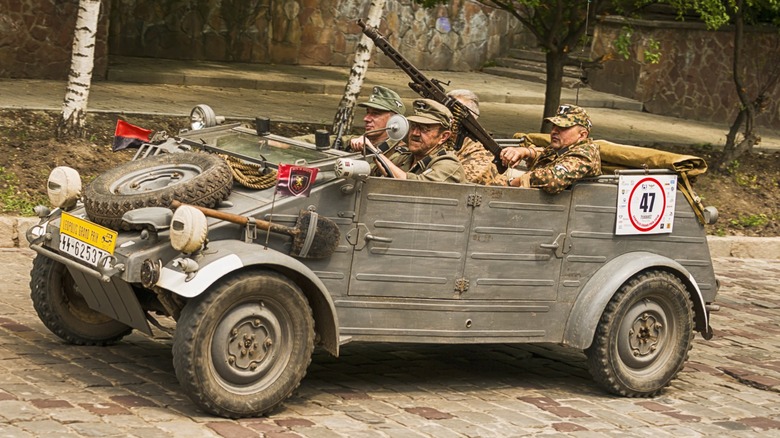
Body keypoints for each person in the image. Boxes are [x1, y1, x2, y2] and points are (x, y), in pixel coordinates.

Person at [500, 104, 601, 194]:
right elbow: (548, 155)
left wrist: (514, 182)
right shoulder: (565, 147)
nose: (554, 131)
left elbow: (554, 179)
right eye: (554, 126)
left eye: (563, 127)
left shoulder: (585, 154)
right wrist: (526, 152)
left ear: (582, 135)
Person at [374, 99, 465, 183]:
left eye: (424, 128)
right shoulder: (403, 157)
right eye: (413, 126)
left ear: (443, 137)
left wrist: (377, 154)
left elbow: (415, 187)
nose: (415, 133)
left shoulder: (448, 165)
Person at [446, 89, 507, 186]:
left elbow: (454, 184)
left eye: (453, 113)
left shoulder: (482, 150)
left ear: (471, 119)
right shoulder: (439, 138)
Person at [348, 85, 406, 154]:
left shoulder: (401, 154)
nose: (366, 118)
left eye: (375, 113)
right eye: (367, 112)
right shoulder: (362, 139)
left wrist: (372, 149)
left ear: (394, 121)